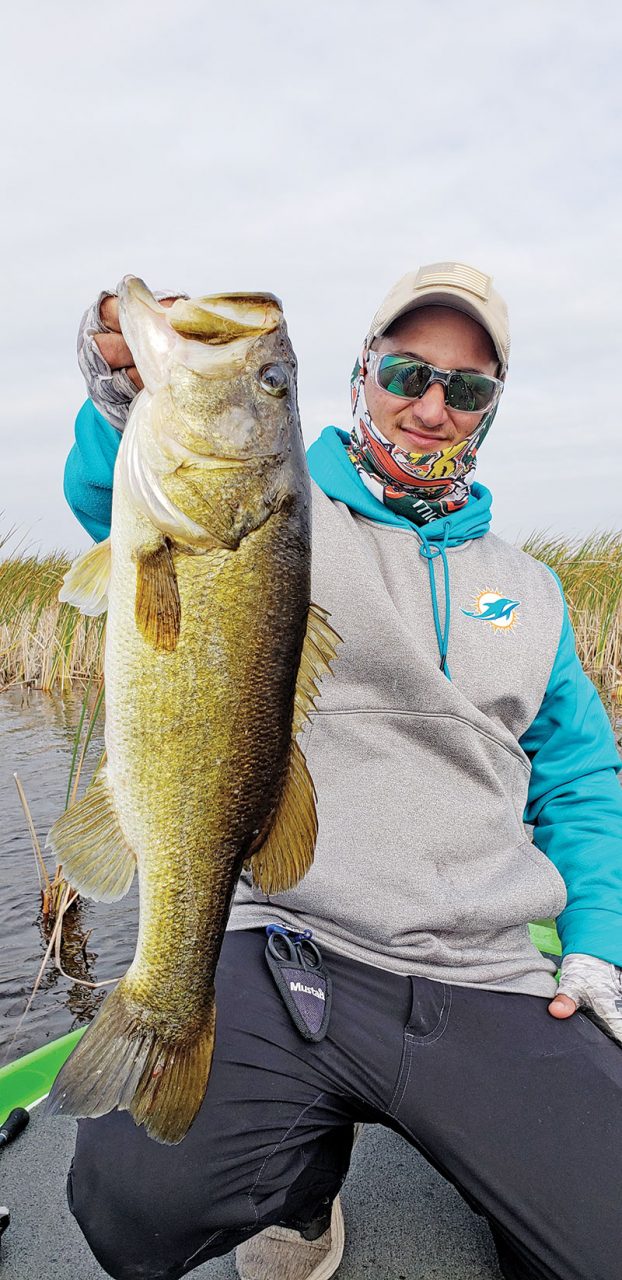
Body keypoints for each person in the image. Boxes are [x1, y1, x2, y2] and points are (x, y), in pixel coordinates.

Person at [62, 262, 622, 1280]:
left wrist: (595, 946)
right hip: (288, 940)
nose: (430, 404)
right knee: (133, 1205)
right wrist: (121, 386)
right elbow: (117, 494)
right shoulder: (281, 510)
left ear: (489, 410)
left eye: (467, 387)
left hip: (482, 968)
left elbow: (581, 783)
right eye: (407, 371)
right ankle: (298, 1189)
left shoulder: (535, 590)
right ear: (363, 374)